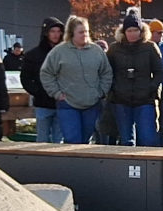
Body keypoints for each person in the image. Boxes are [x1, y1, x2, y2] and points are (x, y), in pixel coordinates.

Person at [40, 14, 112, 144]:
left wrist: (101, 91)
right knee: (72, 140)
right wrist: (56, 93)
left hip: (91, 103)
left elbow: (106, 72)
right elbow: (46, 73)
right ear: (72, 33)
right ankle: (72, 164)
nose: (84, 35)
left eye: (86, 31)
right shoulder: (59, 51)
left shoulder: (97, 51)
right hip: (68, 104)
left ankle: (84, 164)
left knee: (85, 140)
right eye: (81, 32)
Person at [106, 12, 163, 146]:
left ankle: (149, 166)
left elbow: (159, 72)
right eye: (129, 30)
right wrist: (115, 88)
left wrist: (151, 88)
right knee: (126, 141)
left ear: (141, 31)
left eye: (135, 30)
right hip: (121, 99)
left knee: (148, 138)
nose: (132, 33)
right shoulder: (114, 49)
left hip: (145, 99)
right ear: (124, 32)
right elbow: (107, 72)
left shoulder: (150, 47)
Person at [20, 17, 64, 143]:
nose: (56, 35)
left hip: (62, 102)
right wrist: (38, 92)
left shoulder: (65, 52)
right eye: (52, 31)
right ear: (46, 33)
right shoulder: (33, 55)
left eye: (58, 31)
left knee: (59, 140)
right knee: (42, 139)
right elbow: (25, 78)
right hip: (43, 103)